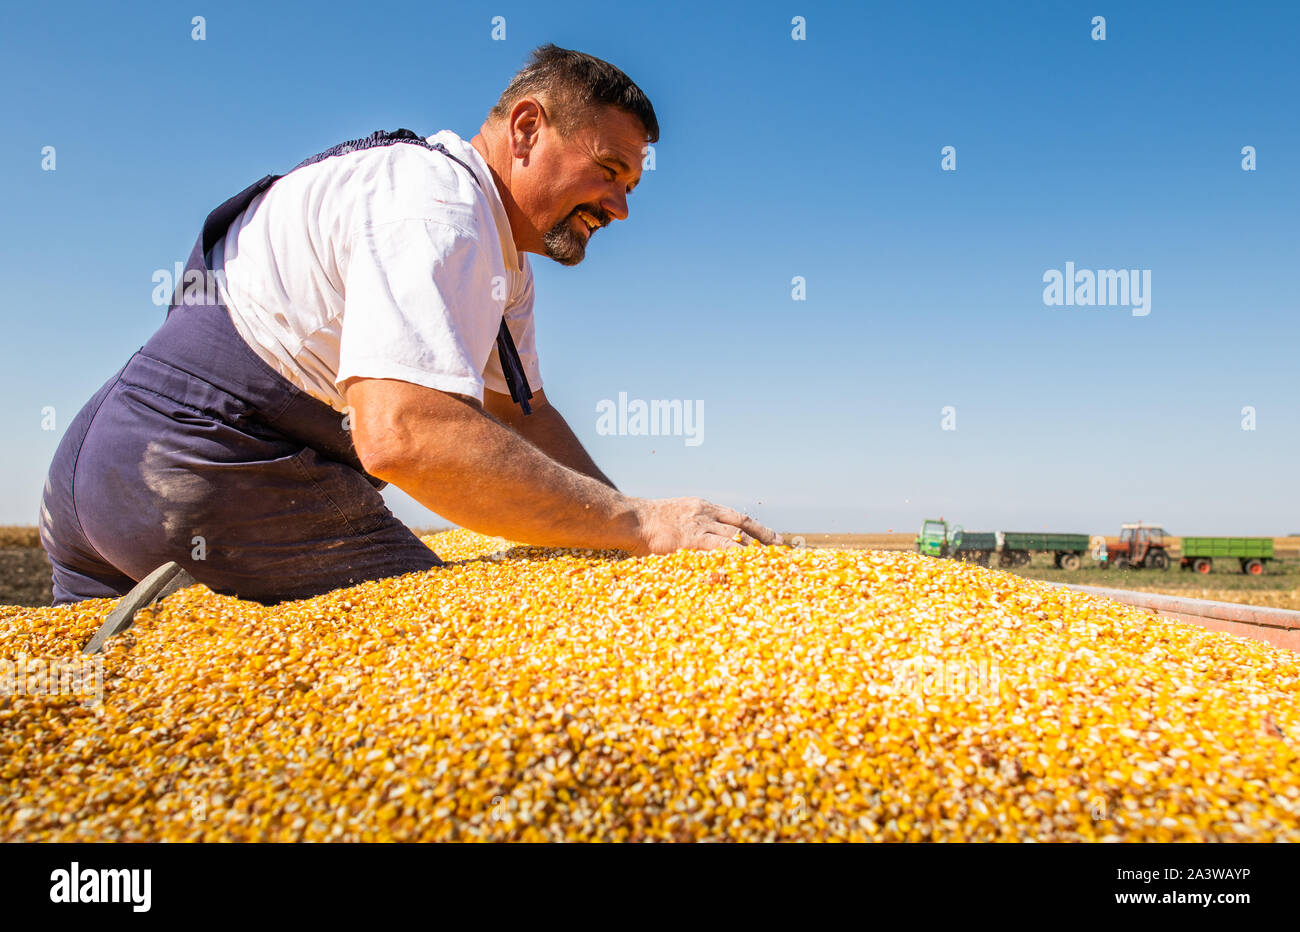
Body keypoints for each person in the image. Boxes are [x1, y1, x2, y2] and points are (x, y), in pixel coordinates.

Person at [39, 44, 780, 606]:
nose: (620, 206)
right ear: (527, 128)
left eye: (631, 185)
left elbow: (524, 416)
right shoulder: (438, 204)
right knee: (448, 637)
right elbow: (405, 435)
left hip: (96, 470)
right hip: (206, 469)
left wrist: (632, 531)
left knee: (115, 728)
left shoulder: (498, 255)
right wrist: (643, 525)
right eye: (610, 169)